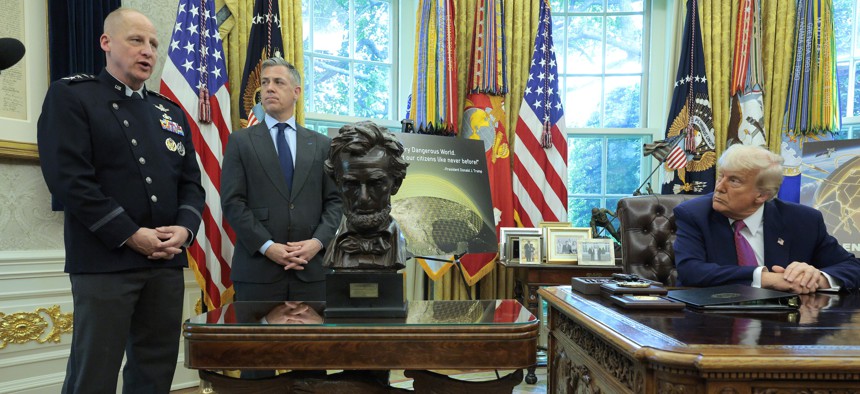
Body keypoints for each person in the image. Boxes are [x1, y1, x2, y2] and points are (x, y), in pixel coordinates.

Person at [36, 8, 205, 393]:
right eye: (136, 40)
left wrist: (184, 229)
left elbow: (191, 185)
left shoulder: (169, 111)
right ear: (106, 43)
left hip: (165, 260)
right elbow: (69, 181)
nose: (148, 51)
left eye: (153, 44)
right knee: (94, 371)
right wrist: (129, 233)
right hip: (105, 261)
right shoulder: (73, 96)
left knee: (155, 369)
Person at [222, 57, 342, 302]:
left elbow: (335, 202)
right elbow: (233, 203)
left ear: (296, 92)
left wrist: (317, 242)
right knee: (258, 342)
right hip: (258, 271)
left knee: (310, 342)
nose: (269, 88)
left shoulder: (322, 145)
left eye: (278, 82)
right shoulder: (240, 142)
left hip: (313, 271)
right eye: (265, 82)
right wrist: (268, 246)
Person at [674, 144, 860, 294]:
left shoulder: (804, 220)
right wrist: (767, 278)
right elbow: (691, 271)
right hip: (712, 321)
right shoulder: (695, 214)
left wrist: (817, 278)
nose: (720, 187)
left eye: (734, 181)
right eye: (721, 176)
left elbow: (852, 267)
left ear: (762, 195)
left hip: (786, 326)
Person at [322, 121, 409, 270]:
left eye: (375, 184)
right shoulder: (331, 248)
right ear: (337, 184)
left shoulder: (401, 246)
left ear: (396, 184)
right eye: (351, 184)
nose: (363, 198)